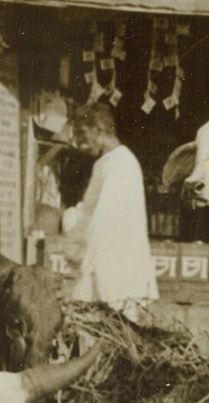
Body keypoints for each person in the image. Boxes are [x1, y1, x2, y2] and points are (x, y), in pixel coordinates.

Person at [64, 101, 158, 321]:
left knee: (117, 325)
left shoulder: (122, 163)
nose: (81, 142)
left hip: (118, 267)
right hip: (102, 262)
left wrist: (86, 261)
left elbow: (103, 221)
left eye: (83, 134)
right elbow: (88, 212)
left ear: (99, 130)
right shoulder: (103, 164)